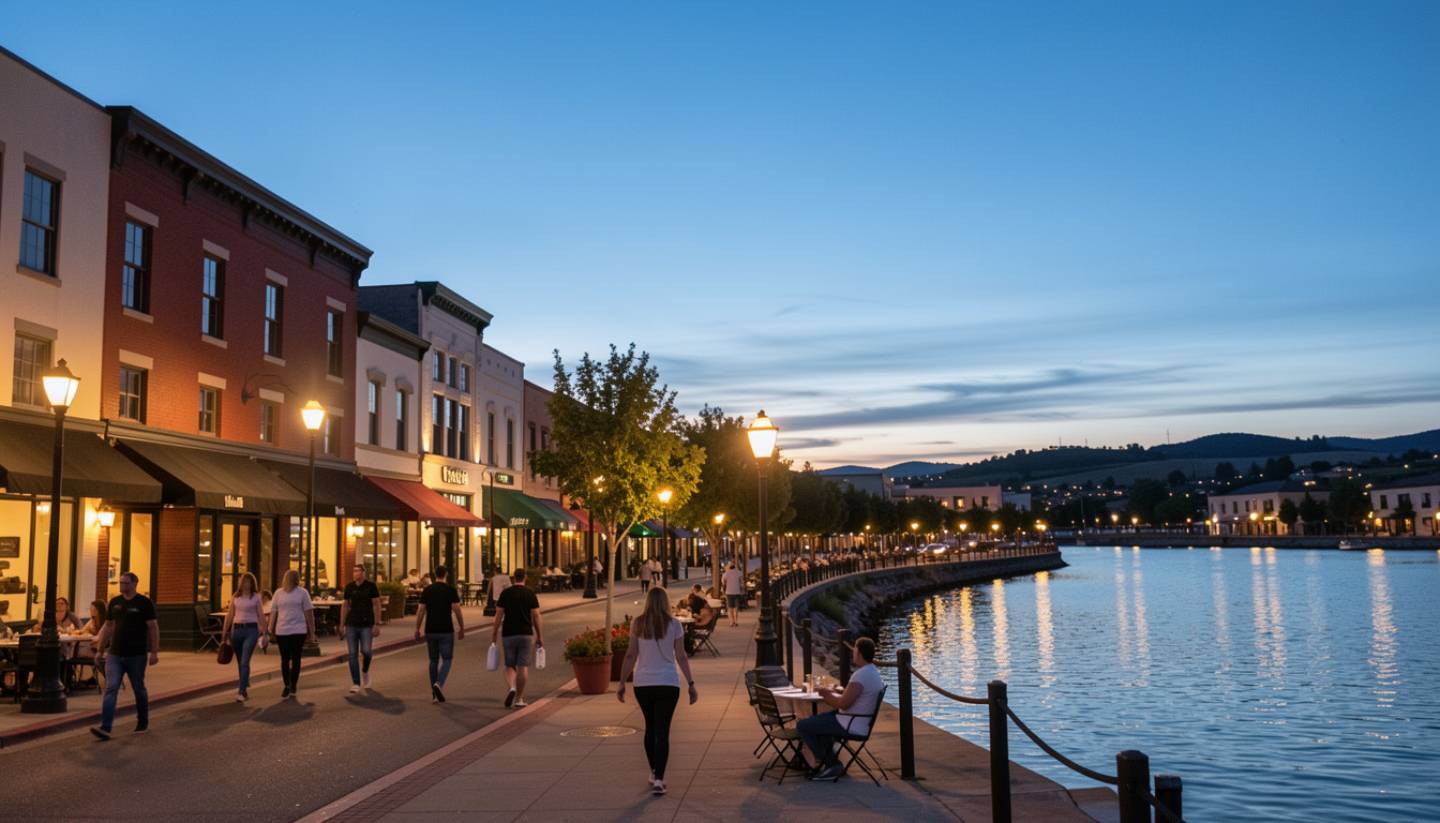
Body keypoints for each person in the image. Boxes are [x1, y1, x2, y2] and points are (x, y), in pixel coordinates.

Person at [617, 586, 698, 796]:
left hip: (643, 683)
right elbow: (681, 656)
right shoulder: (675, 625)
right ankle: (659, 779)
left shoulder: (638, 623)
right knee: (662, 730)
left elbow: (630, 655)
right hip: (668, 683)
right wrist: (690, 682)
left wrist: (622, 682)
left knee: (650, 727)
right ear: (665, 602)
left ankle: (653, 771)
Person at [796, 636, 885, 781]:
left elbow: (843, 704)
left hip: (850, 724)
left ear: (859, 654)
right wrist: (836, 692)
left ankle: (831, 764)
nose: (853, 654)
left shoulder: (860, 675)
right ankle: (830, 762)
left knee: (803, 726)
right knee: (817, 721)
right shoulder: (873, 672)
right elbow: (851, 696)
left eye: (855, 651)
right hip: (854, 720)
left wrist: (824, 693)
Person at [91, 572, 159, 740]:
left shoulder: (144, 603)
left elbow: (153, 627)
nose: (122, 586)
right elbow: (108, 627)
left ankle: (142, 721)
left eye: (126, 583)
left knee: (138, 688)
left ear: (134, 584)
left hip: (136, 654)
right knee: (111, 687)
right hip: (115, 653)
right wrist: (100, 650)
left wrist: (154, 652)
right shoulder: (115, 603)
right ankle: (105, 727)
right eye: (121, 583)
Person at [492, 568, 542, 708]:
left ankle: (512, 687)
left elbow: (499, 615)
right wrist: (539, 635)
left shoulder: (506, 593)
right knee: (523, 666)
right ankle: (519, 699)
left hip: (509, 633)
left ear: (514, 578)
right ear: (525, 577)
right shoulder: (530, 593)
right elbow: (537, 616)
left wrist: (494, 633)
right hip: (526, 633)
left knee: (509, 665)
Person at [414, 564, 464, 703]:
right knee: (447, 659)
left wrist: (417, 628)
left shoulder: (427, 590)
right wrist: (461, 626)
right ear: (446, 574)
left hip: (431, 629)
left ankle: (434, 694)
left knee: (433, 660)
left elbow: (421, 611)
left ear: (435, 575)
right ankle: (439, 684)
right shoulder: (450, 590)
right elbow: (457, 610)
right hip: (446, 629)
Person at [268, 569, 315, 700]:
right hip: (282, 630)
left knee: (295, 658)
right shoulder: (278, 593)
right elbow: (273, 612)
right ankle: (287, 685)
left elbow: (309, 612)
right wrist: (270, 628)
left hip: (298, 630)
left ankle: (292, 684)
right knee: (285, 659)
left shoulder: (302, 593)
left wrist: (312, 631)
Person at [221, 572, 266, 702]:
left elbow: (261, 614)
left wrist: (265, 631)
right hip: (237, 630)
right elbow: (230, 615)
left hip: (251, 630)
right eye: (244, 581)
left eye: (249, 582)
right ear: (241, 583)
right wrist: (225, 631)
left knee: (245, 661)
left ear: (252, 583)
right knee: (240, 662)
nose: (246, 584)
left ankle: (240, 692)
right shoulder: (236, 596)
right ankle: (244, 686)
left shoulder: (256, 597)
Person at [340, 564, 383, 695]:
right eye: (354, 571)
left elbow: (376, 604)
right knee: (352, 654)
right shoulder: (349, 587)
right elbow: (345, 606)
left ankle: (365, 671)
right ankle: (356, 683)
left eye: (357, 570)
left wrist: (377, 623)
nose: (355, 573)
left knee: (367, 651)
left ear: (364, 573)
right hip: (352, 624)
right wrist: (342, 624)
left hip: (366, 624)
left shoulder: (371, 586)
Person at [722, 562, 745, 627]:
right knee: (736, 608)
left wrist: (723, 592)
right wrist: (742, 590)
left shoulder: (725, 574)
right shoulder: (739, 573)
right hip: (737, 592)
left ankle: (731, 622)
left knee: (730, 608)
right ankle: (736, 621)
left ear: (729, 567)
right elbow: (741, 583)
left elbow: (723, 583)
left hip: (728, 592)